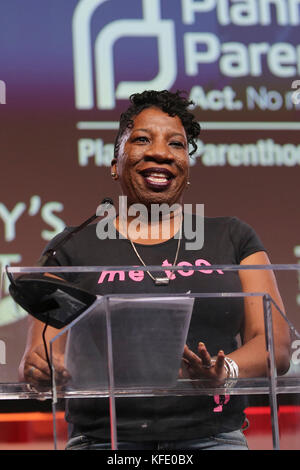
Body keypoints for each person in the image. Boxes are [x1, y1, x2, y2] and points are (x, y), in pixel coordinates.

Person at [18, 90, 291, 450]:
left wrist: (225, 371)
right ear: (115, 163)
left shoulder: (232, 236)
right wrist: (42, 369)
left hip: (212, 439)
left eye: (176, 144)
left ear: (186, 168)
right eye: (142, 139)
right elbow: (40, 357)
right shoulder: (70, 247)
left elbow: (276, 345)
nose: (160, 152)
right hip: (102, 442)